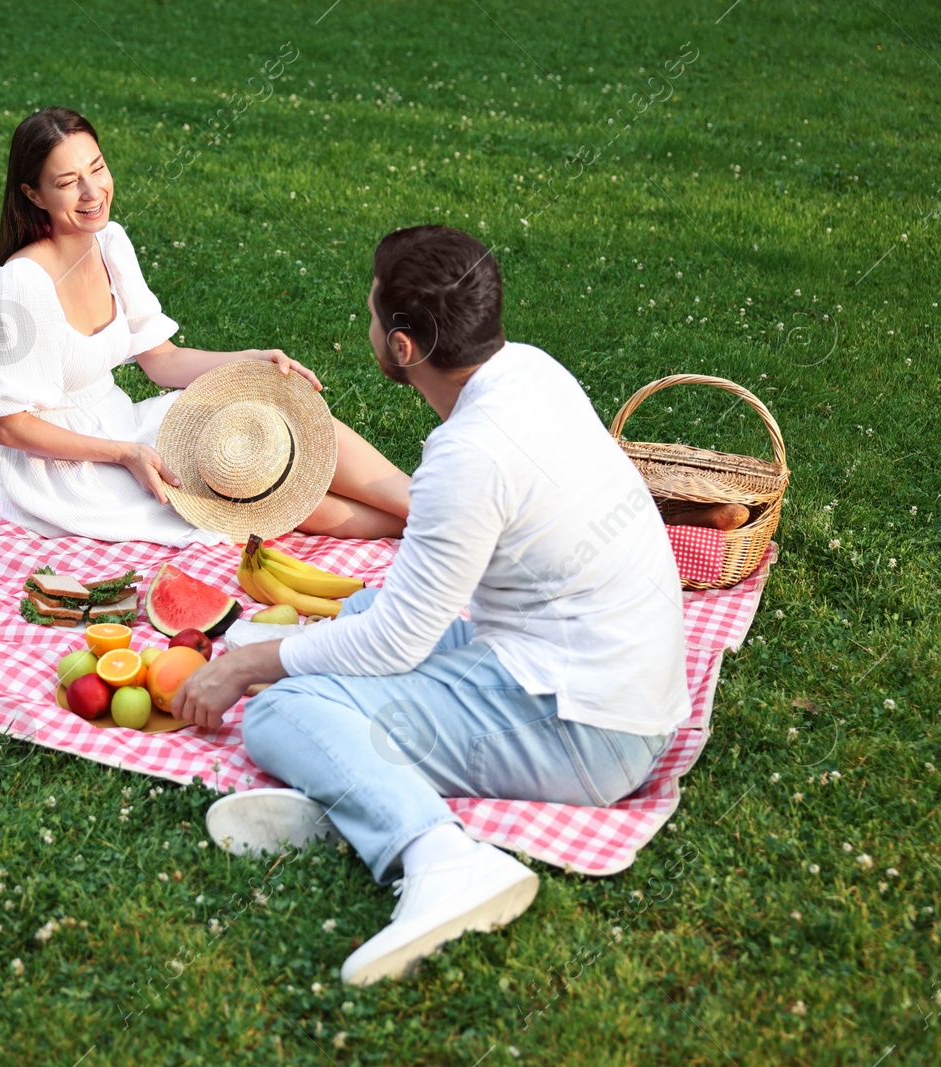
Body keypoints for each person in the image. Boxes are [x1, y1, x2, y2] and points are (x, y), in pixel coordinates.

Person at [170, 225, 689, 986]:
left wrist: (247, 664)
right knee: (350, 620)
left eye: (375, 311)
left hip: (590, 730)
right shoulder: (532, 370)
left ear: (404, 347)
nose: (368, 320)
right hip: (603, 674)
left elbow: (396, 646)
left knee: (282, 707)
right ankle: (358, 799)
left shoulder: (468, 455)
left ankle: (442, 859)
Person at [0, 107, 412, 546]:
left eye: (97, 168)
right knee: (253, 489)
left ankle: (429, 505)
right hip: (60, 466)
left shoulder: (108, 242)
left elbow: (161, 360)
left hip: (121, 423)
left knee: (272, 423)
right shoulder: (20, 286)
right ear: (33, 194)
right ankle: (438, 526)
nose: (92, 191)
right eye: (67, 183)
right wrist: (124, 455)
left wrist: (251, 361)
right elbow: (8, 427)